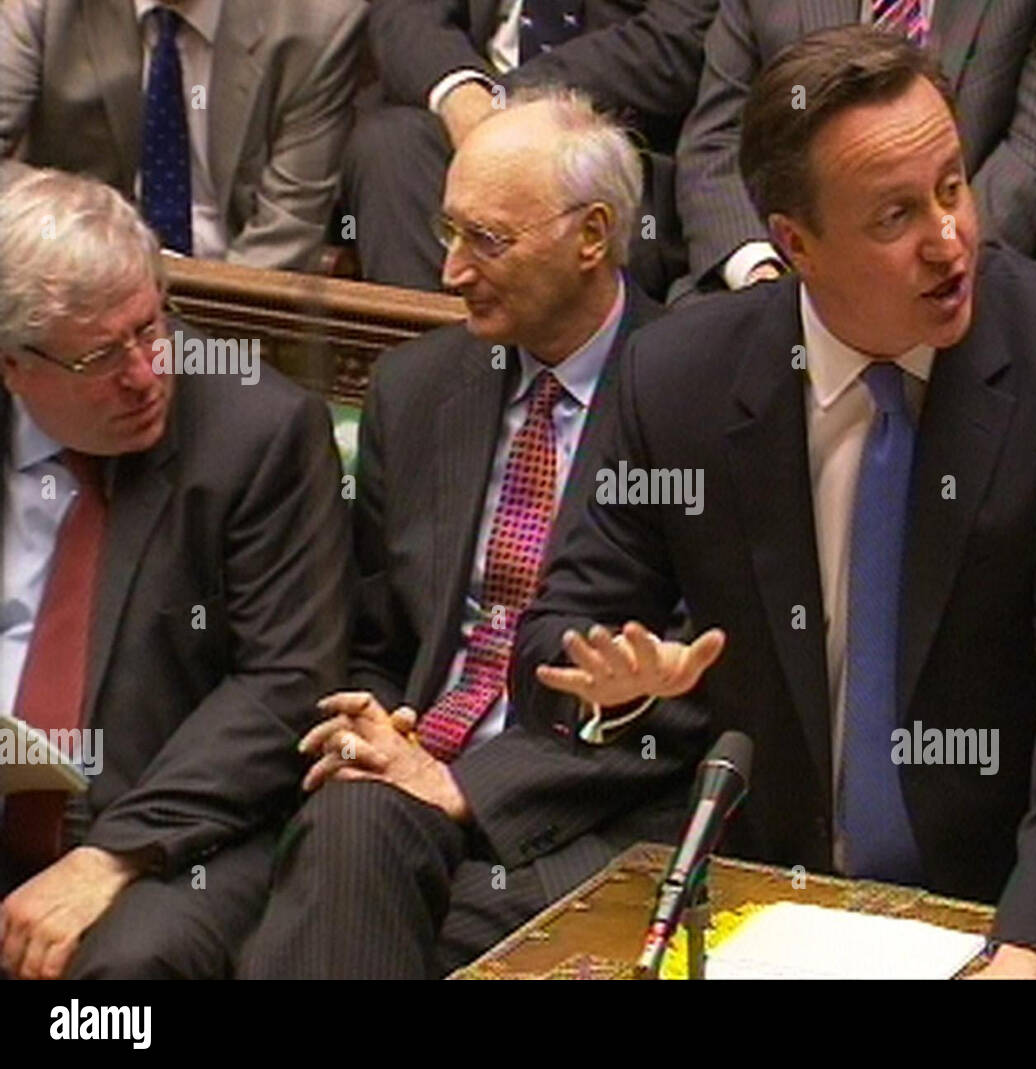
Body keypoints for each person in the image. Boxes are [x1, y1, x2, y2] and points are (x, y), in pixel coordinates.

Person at [513, 26, 1036, 978]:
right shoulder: (679, 376)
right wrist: (611, 681)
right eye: (895, 217)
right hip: (788, 917)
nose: (950, 239)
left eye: (953, 186)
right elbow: (561, 631)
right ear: (794, 243)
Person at [239, 91, 709, 980]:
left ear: (592, 236)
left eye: (487, 241)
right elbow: (377, 638)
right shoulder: (416, 388)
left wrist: (469, 786)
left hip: (596, 808)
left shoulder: (701, 389)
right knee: (349, 825)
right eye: (448, 231)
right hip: (413, 779)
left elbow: (717, 672)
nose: (451, 271)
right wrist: (374, 722)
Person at [0, 169, 349, 979]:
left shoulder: (259, 431)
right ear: (15, 366)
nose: (146, 375)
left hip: (173, 829)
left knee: (121, 979)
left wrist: (114, 855)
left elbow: (288, 682)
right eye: (99, 355)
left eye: (149, 328)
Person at [674, 0, 1036, 298]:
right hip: (776, 276)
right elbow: (719, 140)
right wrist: (763, 275)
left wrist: (905, 263)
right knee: (670, 363)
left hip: (963, 281)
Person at [341, 0, 718, 298]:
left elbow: (677, 37)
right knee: (389, 147)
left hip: (612, 135)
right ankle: (430, 376)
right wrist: (461, 91)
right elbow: (407, 12)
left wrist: (507, 103)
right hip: (465, 107)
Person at [0, 0, 367, 272]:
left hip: (237, 294)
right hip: (76, 274)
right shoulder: (45, 6)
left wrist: (192, 334)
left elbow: (289, 226)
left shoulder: (320, 20)